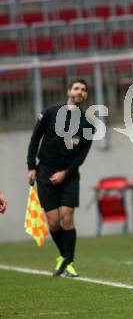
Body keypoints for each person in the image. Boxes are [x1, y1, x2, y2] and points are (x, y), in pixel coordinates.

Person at [27, 79, 93, 277]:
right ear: (69, 91)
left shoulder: (88, 125)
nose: (79, 92)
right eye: (76, 88)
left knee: (67, 216)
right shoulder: (50, 113)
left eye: (83, 90)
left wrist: (65, 173)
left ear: (86, 96)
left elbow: (81, 156)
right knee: (54, 222)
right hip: (45, 171)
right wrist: (31, 166)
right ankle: (63, 256)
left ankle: (70, 263)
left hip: (69, 174)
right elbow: (34, 138)